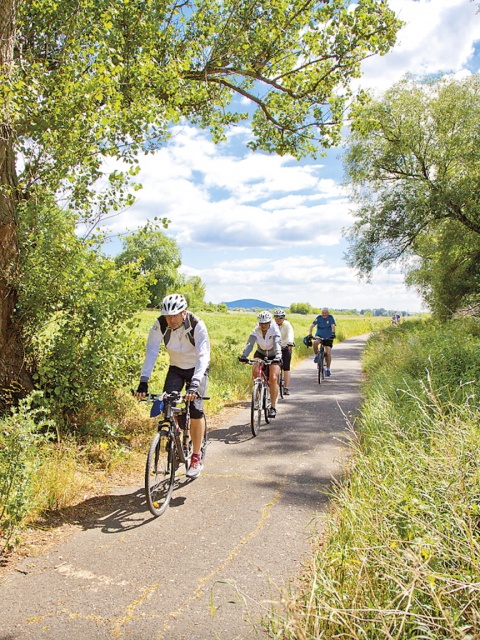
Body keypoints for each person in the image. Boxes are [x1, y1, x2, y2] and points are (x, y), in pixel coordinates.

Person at [135, 293, 210, 478]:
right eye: (167, 316)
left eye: (174, 315)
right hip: (176, 368)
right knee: (168, 403)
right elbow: (151, 352)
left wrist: (194, 385)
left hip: (197, 370)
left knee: (195, 410)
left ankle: (195, 456)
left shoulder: (197, 325)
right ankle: (175, 435)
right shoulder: (160, 324)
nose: (170, 320)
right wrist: (143, 382)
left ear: (184, 313)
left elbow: (203, 356)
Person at [238, 310, 282, 418]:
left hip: (273, 354)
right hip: (261, 353)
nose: (263, 325)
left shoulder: (274, 329)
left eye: (265, 323)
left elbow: (277, 344)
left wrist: (278, 357)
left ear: (269, 322)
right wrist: (244, 356)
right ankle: (257, 393)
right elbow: (250, 344)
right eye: (261, 323)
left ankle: (272, 406)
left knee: (273, 377)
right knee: (256, 372)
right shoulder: (255, 330)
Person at [308, 307, 336, 377]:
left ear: (328, 313)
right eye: (323, 313)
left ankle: (328, 369)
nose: (324, 314)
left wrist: (333, 334)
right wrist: (310, 334)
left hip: (328, 337)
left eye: (325, 313)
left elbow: (333, 326)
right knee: (315, 342)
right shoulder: (319, 318)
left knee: (328, 353)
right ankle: (317, 355)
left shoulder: (330, 318)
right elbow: (312, 325)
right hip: (319, 335)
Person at [273, 309, 295, 395]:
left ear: (284, 318)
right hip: (275, 347)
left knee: (286, 367)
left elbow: (290, 334)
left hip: (285, 345)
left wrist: (290, 343)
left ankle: (286, 387)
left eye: (281, 317)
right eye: (277, 317)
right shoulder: (272, 324)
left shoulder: (287, 325)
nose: (279, 319)